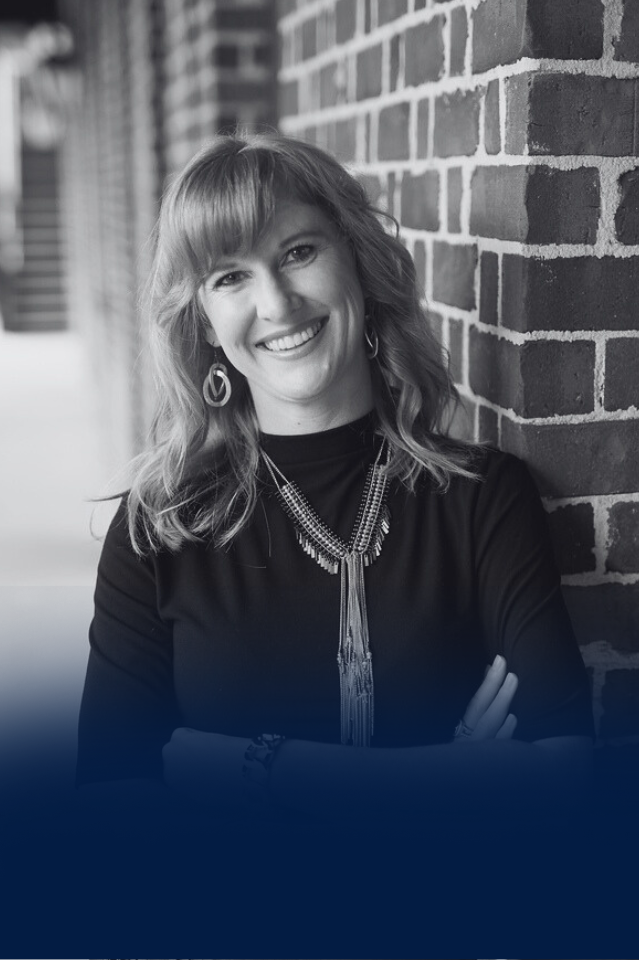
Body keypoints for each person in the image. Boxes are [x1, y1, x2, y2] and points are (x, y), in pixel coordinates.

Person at [77, 131, 593, 820]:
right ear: (203, 321)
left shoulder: (480, 497)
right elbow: (111, 804)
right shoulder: (160, 529)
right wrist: (461, 774)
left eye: (297, 252)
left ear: (356, 260)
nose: (278, 304)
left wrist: (269, 769)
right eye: (230, 277)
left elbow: (564, 779)